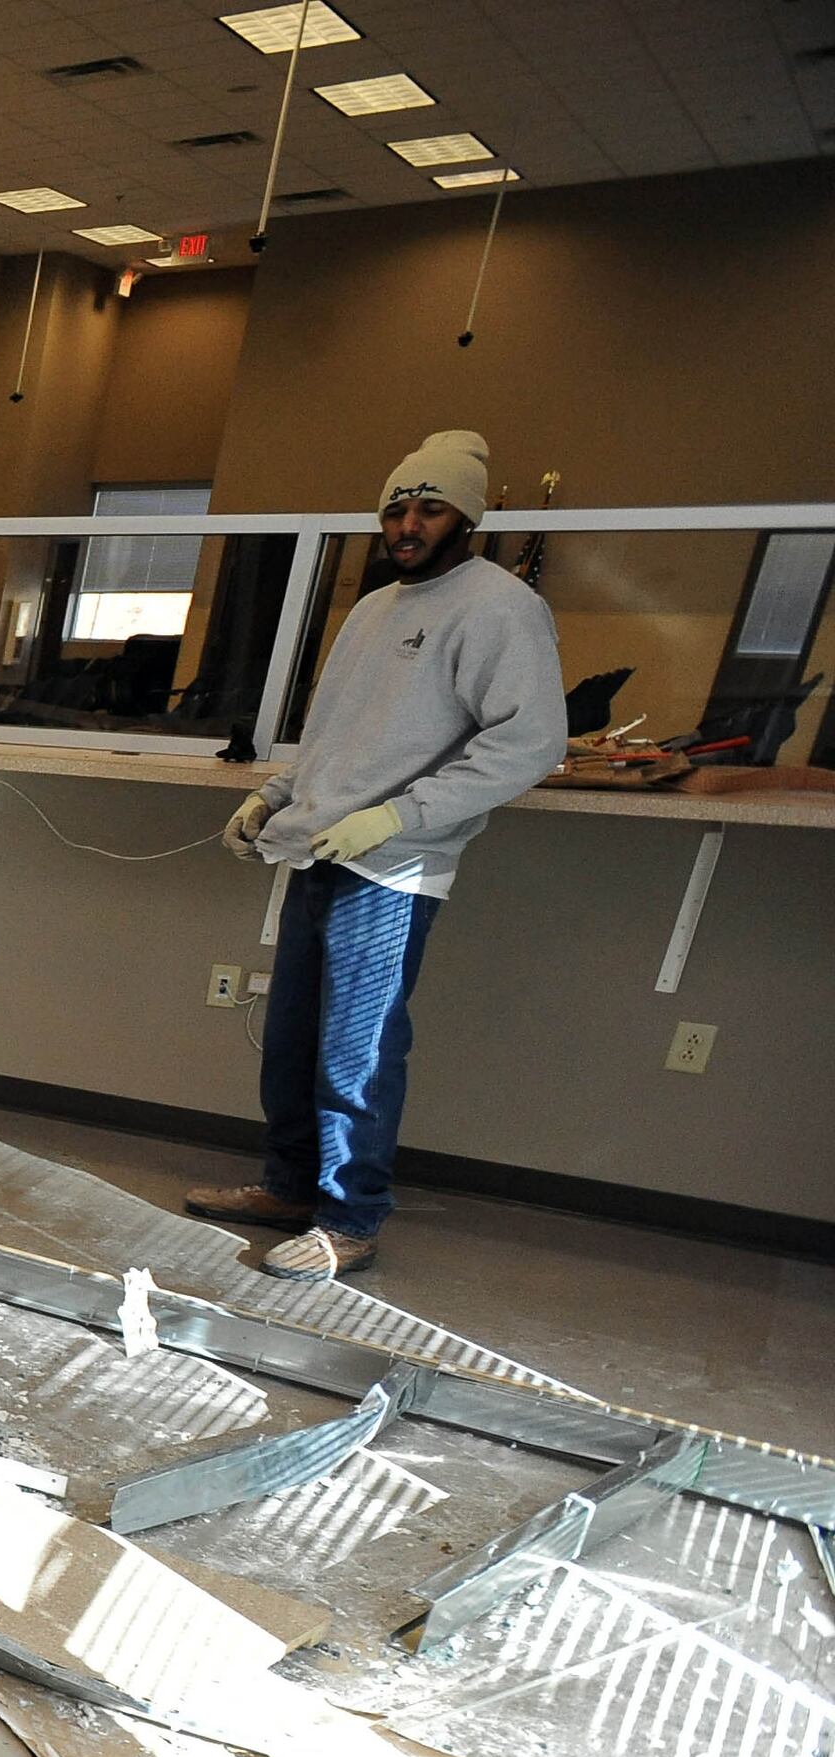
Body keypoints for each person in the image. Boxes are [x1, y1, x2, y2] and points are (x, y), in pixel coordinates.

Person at [185, 429, 566, 1281]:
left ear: (464, 516)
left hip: (393, 868)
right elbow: (338, 740)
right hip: (323, 851)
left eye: (430, 507)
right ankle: (288, 1187)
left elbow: (531, 743)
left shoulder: (500, 607)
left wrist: (399, 817)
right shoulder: (372, 609)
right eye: (396, 506)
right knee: (290, 1041)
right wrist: (277, 795)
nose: (408, 522)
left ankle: (350, 1218)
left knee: (355, 1051)